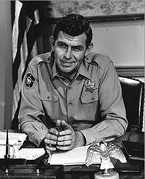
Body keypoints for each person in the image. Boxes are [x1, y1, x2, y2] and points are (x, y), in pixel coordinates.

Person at [18, 14, 128, 152]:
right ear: (53, 43)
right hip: (52, 149)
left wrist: (80, 138)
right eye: (62, 46)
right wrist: (45, 138)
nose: (67, 56)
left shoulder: (102, 67)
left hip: (93, 149)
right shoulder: (37, 67)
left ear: (87, 49)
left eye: (76, 48)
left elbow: (117, 121)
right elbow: (27, 117)